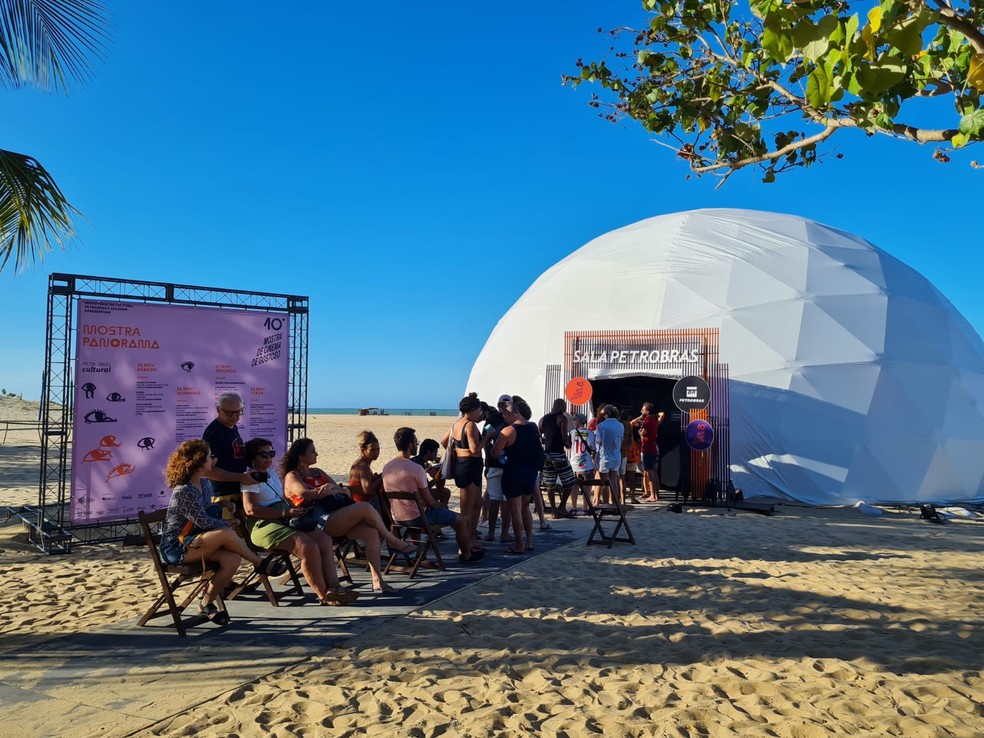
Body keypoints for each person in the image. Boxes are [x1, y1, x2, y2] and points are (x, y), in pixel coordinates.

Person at [159, 439, 286, 625]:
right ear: (199, 461)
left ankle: (206, 603)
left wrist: (220, 504)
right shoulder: (183, 491)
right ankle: (259, 563)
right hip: (178, 547)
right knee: (225, 532)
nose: (214, 459)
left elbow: (204, 509)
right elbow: (203, 521)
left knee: (232, 559)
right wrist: (227, 522)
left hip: (198, 540)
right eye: (210, 456)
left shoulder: (205, 484)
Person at [281, 438, 416, 594]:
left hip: (336, 516)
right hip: (317, 522)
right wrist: (330, 489)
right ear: (301, 456)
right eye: (312, 451)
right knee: (365, 507)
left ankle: (377, 581)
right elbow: (307, 493)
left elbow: (343, 490)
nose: (316, 453)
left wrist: (331, 489)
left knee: (371, 533)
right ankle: (392, 540)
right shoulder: (292, 476)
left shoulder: (318, 472)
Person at [240, 438, 357, 606]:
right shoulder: (250, 478)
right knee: (308, 547)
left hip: (284, 516)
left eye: (271, 453)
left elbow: (284, 497)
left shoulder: (271, 473)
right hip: (264, 524)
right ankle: (324, 595)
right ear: (253, 457)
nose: (268, 457)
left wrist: (292, 510)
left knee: (324, 539)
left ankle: (334, 587)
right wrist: (284, 512)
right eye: (263, 454)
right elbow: (250, 509)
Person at [381, 427, 484, 564]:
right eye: (416, 442)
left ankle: (419, 555)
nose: (417, 445)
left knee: (423, 510)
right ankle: (466, 555)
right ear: (410, 445)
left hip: (397, 518)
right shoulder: (415, 468)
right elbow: (430, 502)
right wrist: (443, 507)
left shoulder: (387, 467)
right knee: (461, 520)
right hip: (418, 518)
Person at [492, 396, 544, 555]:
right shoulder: (533, 427)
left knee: (515, 509)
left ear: (509, 415)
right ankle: (529, 541)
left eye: (504, 416)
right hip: (530, 472)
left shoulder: (507, 431)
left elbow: (494, 453)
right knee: (525, 507)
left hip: (514, 471)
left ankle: (519, 544)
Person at [440, 393, 485, 550]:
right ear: (473, 409)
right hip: (469, 466)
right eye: (479, 409)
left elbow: (444, 441)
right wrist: (487, 437)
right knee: (467, 508)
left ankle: (471, 537)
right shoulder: (470, 425)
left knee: (477, 503)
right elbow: (474, 449)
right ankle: (465, 544)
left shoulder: (456, 423)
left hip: (463, 465)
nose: (480, 412)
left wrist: (457, 451)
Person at [202, 391, 256, 522]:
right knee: (228, 536)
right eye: (229, 413)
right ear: (218, 410)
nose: (234, 416)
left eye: (238, 412)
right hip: (223, 495)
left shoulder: (232, 427)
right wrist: (241, 477)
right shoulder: (215, 432)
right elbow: (208, 471)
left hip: (235, 491)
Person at [538, 398, 575, 518]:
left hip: (547, 454)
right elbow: (564, 436)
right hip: (558, 454)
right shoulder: (561, 418)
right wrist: (568, 444)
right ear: (561, 407)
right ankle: (562, 507)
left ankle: (554, 511)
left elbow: (540, 437)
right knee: (570, 481)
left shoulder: (542, 419)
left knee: (550, 484)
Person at [481, 408, 511, 542]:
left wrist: (487, 464)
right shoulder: (511, 420)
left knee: (494, 498)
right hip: (508, 465)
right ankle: (504, 533)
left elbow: (485, 442)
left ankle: (491, 532)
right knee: (505, 500)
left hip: (493, 463)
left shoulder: (489, 421)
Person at [633, 403, 666, 501]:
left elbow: (643, 432)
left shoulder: (647, 420)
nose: (641, 412)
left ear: (647, 411)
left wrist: (640, 432)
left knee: (649, 472)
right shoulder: (655, 420)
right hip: (653, 448)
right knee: (654, 473)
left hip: (647, 448)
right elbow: (661, 414)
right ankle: (656, 494)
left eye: (643, 410)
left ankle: (653, 495)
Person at [595, 404, 624, 504]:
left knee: (605, 482)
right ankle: (616, 503)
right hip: (616, 456)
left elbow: (598, 441)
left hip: (605, 456)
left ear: (607, 414)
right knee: (614, 480)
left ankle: (606, 504)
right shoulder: (621, 425)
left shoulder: (602, 425)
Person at [568, 413, 596, 513]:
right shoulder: (590, 433)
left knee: (574, 486)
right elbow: (592, 448)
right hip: (586, 463)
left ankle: (574, 507)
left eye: (574, 420)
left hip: (574, 463)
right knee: (587, 487)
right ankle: (585, 507)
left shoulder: (571, 432)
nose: (573, 422)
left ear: (578, 421)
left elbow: (568, 446)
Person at [348, 430, 383, 505]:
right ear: (363, 450)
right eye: (372, 450)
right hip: (364, 504)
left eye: (378, 449)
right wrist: (380, 480)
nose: (376, 452)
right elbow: (367, 489)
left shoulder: (358, 463)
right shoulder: (363, 466)